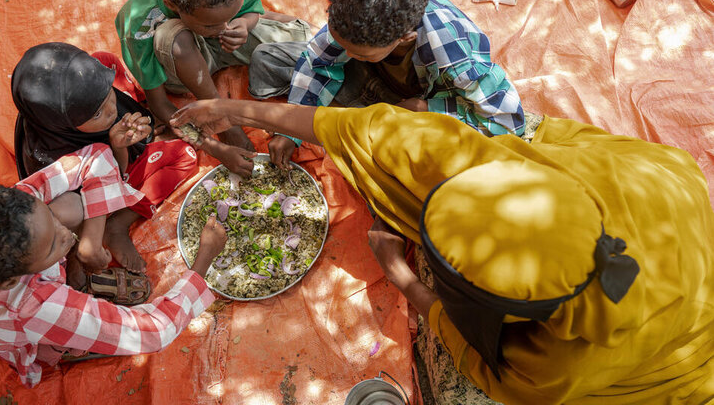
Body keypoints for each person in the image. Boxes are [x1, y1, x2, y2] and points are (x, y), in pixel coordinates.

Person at [170, 99, 714, 403]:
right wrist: (231, 108)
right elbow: (358, 126)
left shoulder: (555, 363)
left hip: (683, 357)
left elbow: (485, 363)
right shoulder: (482, 167)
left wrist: (403, 277)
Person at [0, 145, 227, 388]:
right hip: (19, 332)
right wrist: (203, 261)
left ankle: (72, 271)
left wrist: (90, 242)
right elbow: (155, 331)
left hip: (9, 293)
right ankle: (66, 347)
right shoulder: (36, 307)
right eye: (51, 247)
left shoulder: (17, 210)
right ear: (11, 279)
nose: (66, 234)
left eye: (48, 218)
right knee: (64, 338)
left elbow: (97, 156)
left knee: (70, 206)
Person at [250, 0, 526, 170]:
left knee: (394, 156)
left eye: (359, 52)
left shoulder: (452, 54)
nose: (341, 47)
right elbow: (317, 61)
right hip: (375, 83)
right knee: (267, 58)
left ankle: (368, 120)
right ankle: (359, 112)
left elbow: (507, 122)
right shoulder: (354, 19)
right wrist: (291, 129)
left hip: (419, 103)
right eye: (338, 39)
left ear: (405, 39)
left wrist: (428, 108)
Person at [115, 0, 311, 176]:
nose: (224, 28)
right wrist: (216, 147)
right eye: (211, 24)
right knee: (174, 38)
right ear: (172, 6)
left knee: (307, 40)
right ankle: (221, 116)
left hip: (221, 47)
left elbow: (249, 12)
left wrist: (245, 24)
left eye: (230, 17)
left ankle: (252, 23)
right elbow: (159, 104)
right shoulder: (138, 24)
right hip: (179, 65)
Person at [12, 42, 199, 272]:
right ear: (65, 124)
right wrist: (119, 146)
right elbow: (109, 179)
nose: (112, 109)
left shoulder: (54, 119)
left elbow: (106, 101)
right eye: (97, 112)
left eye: (108, 90)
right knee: (185, 154)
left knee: (104, 60)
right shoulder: (63, 160)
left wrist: (121, 111)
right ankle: (118, 224)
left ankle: (139, 112)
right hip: (102, 188)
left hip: (108, 151)